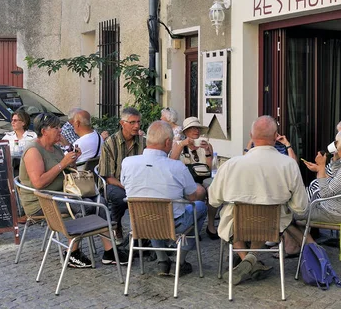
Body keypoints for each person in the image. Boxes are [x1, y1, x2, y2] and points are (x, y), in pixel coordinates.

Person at [19, 113, 128, 268]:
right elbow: (38, 183)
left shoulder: (55, 148)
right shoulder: (33, 150)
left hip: (61, 194)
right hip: (41, 200)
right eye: (55, 128)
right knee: (84, 206)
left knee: (99, 201)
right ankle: (72, 253)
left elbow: (68, 173)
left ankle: (109, 250)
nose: (60, 131)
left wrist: (73, 161)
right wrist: (62, 164)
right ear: (44, 131)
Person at [209, 115, 308, 285]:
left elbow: (213, 200)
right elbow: (301, 207)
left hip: (238, 225)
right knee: (265, 216)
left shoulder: (231, 165)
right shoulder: (289, 165)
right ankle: (252, 260)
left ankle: (247, 260)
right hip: (271, 226)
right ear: (276, 136)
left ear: (251, 135)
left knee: (233, 216)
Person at [121, 121, 207, 276]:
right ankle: (180, 261)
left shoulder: (127, 163)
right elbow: (193, 196)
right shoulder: (177, 167)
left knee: (151, 211)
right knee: (200, 206)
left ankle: (163, 260)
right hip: (173, 224)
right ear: (168, 142)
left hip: (140, 223)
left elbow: (125, 185)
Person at [284, 128, 341, 254]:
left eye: (337, 143)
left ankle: (311, 247)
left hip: (331, 213)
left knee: (284, 214)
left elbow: (325, 193)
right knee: (291, 210)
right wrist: (334, 160)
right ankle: (302, 245)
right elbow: (335, 178)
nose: (335, 146)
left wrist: (321, 168)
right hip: (333, 210)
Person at [98, 107, 146, 240]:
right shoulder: (110, 143)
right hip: (115, 183)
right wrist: (125, 186)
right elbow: (107, 176)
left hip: (138, 183)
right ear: (122, 123)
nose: (136, 126)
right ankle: (116, 224)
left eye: (138, 122)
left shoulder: (143, 142)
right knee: (120, 197)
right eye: (132, 122)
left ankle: (146, 233)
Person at [169, 117, 217, 239]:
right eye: (192, 129)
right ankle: (193, 227)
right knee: (199, 191)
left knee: (214, 190)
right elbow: (170, 163)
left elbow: (210, 169)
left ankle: (210, 225)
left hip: (202, 177)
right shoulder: (178, 145)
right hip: (185, 180)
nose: (196, 131)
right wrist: (182, 145)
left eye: (197, 128)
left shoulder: (206, 145)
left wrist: (207, 151)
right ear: (185, 132)